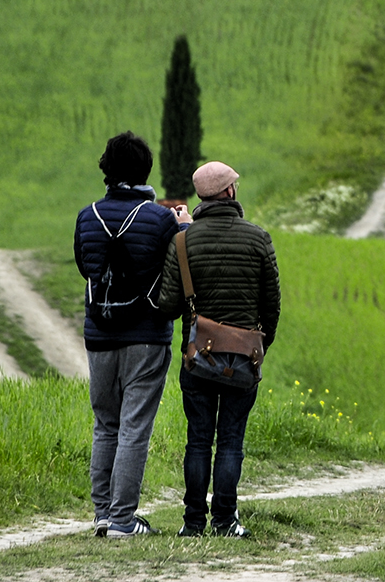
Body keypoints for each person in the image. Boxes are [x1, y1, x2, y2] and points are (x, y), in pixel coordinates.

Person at [74, 131, 190, 538]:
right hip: (146, 334)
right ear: (146, 170)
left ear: (106, 169)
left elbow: (84, 268)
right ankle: (124, 520)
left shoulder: (87, 215)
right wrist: (184, 229)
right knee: (134, 426)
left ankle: (103, 514)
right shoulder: (161, 219)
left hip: (99, 333)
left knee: (105, 424)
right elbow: (178, 270)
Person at [157, 160, 280, 538]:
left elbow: (166, 305)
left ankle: (192, 522)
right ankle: (225, 521)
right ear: (228, 192)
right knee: (230, 441)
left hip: (197, 360)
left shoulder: (182, 241)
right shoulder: (258, 238)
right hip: (244, 359)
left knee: (198, 439)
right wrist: (259, 345)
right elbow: (271, 305)